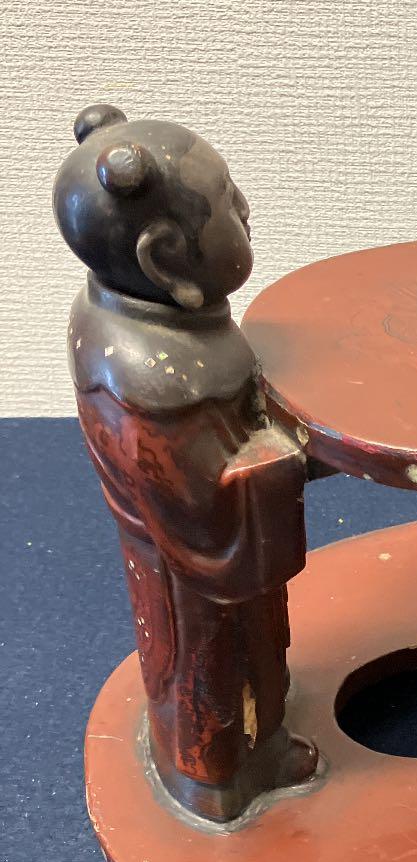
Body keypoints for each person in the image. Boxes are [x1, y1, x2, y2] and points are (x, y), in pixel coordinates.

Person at [55, 105, 318, 819]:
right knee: (207, 673)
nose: (246, 209)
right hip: (190, 578)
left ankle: (264, 746)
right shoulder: (145, 379)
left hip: (222, 571)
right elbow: (198, 506)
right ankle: (217, 784)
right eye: (227, 204)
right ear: (165, 260)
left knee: (257, 652)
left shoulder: (160, 320)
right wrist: (285, 456)